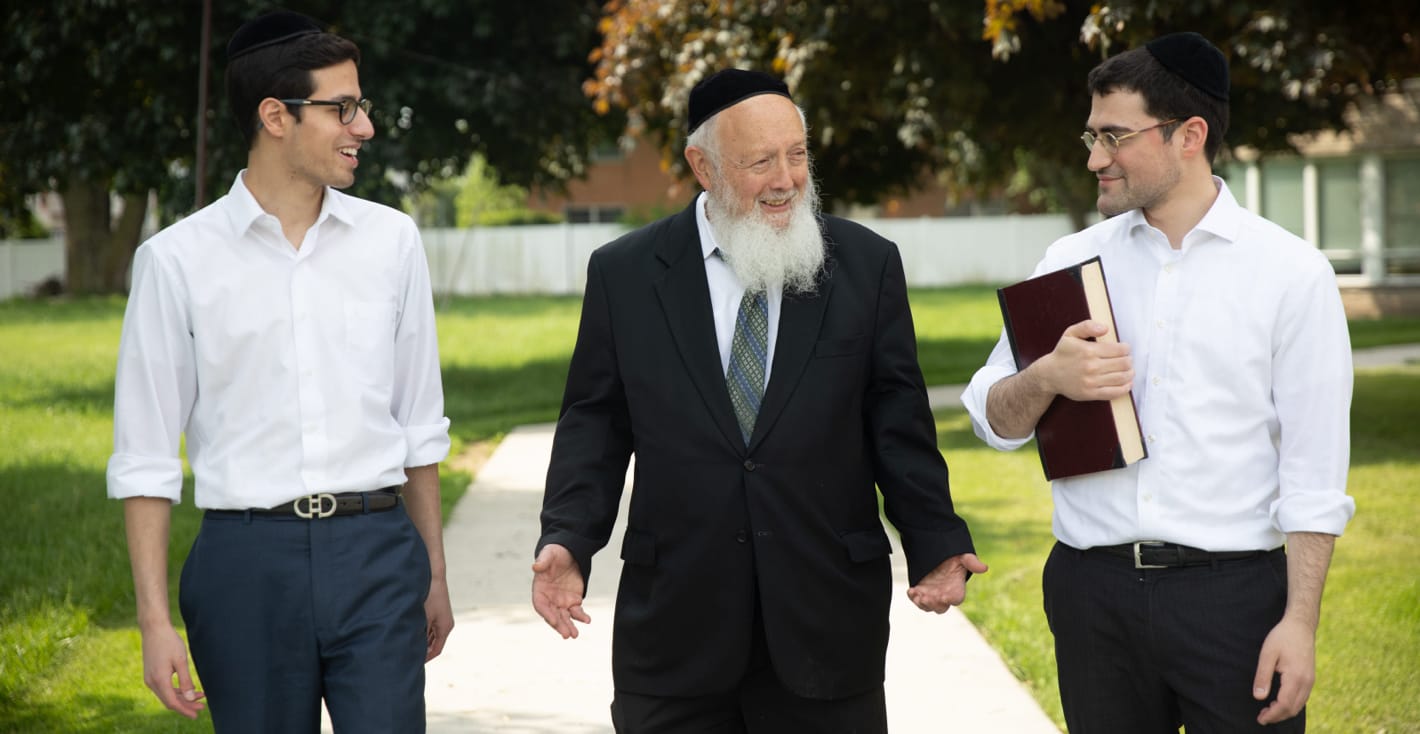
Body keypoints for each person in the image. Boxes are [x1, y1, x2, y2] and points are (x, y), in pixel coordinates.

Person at [530, 68, 985, 733]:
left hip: (825, 625)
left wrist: (936, 540)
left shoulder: (865, 264)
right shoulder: (625, 273)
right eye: (761, 161)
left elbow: (897, 421)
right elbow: (595, 423)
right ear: (702, 166)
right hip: (676, 630)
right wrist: (569, 537)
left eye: (797, 154)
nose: (786, 179)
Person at [961, 32, 1354, 733]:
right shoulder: (1069, 260)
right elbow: (993, 419)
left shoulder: (1292, 274)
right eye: (1091, 135)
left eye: (1114, 136)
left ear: (1188, 135)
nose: (1094, 159)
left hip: (1233, 602)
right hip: (1092, 596)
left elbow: (1314, 474)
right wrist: (1048, 375)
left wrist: (1300, 624)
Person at [107, 11, 453, 732]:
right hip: (243, 568)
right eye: (342, 108)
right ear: (275, 116)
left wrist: (434, 576)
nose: (364, 127)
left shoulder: (392, 242)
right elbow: (144, 458)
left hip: (377, 554)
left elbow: (419, 426)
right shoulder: (176, 261)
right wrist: (153, 621)